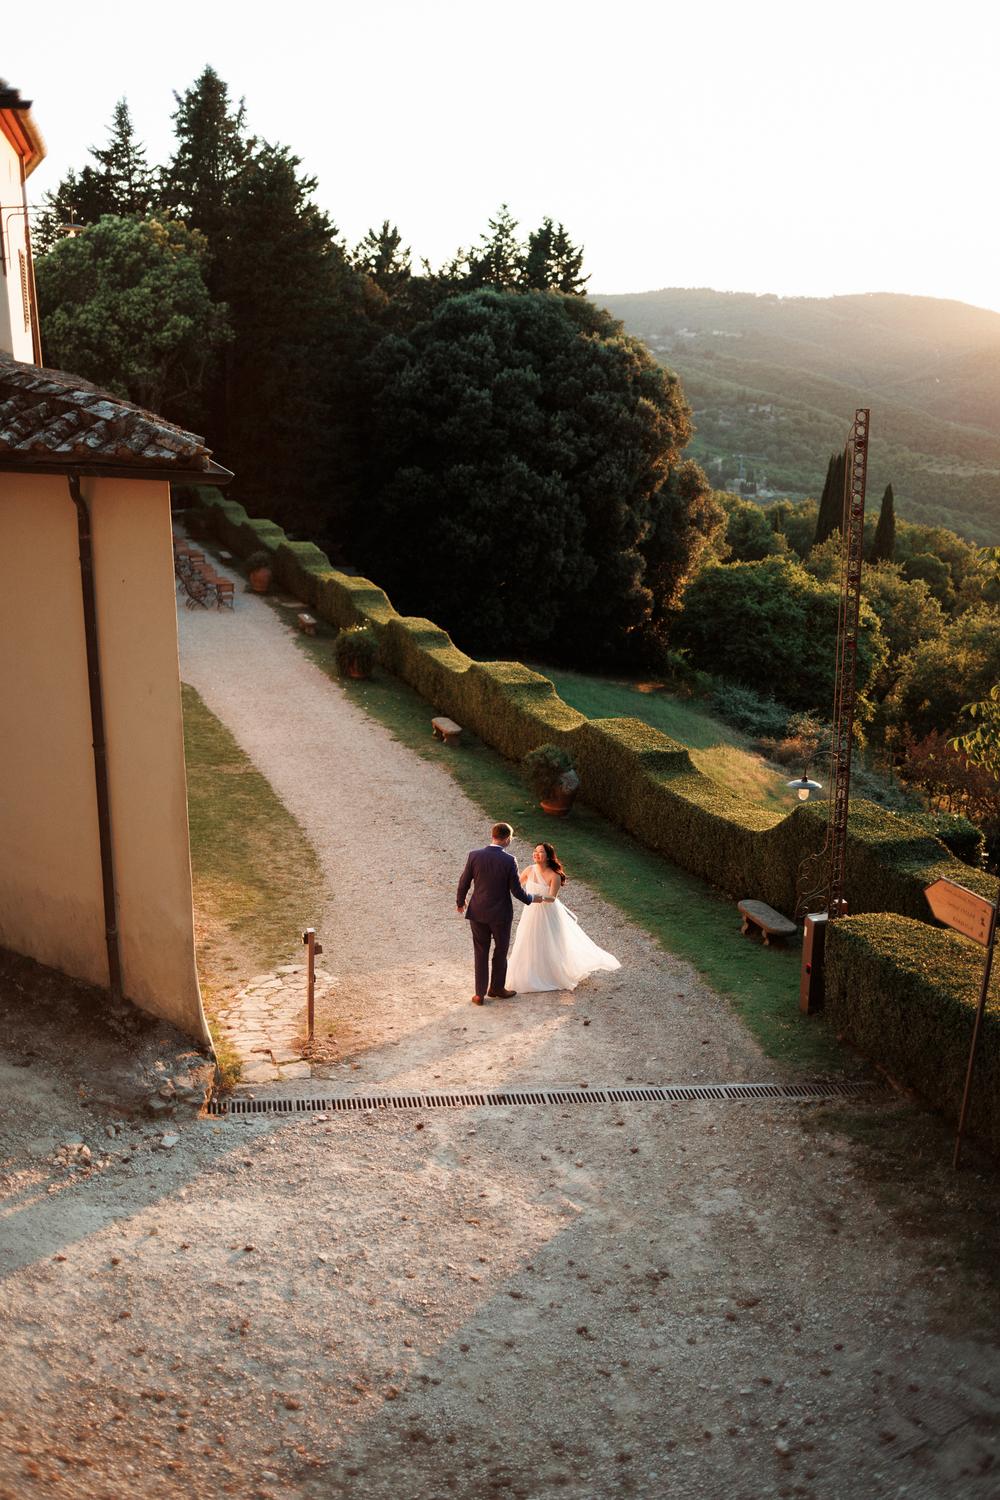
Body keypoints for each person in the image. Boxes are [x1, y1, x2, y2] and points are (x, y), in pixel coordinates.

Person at [506, 842, 620, 993]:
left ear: (548, 856)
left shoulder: (555, 876)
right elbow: (516, 886)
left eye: (540, 852)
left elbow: (552, 898)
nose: (536, 854)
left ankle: (552, 973)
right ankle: (527, 973)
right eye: (535, 851)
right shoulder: (529, 870)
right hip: (531, 912)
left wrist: (535, 897)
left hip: (547, 912)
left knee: (550, 941)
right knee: (527, 939)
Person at [456, 823, 547, 1005]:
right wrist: (532, 898)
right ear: (507, 839)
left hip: (477, 912)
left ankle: (479, 994)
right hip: (500, 915)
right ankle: (497, 988)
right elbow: (516, 890)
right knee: (500, 950)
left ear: (493, 835)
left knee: (480, 952)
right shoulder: (509, 860)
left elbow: (464, 881)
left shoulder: (474, 855)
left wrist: (460, 902)